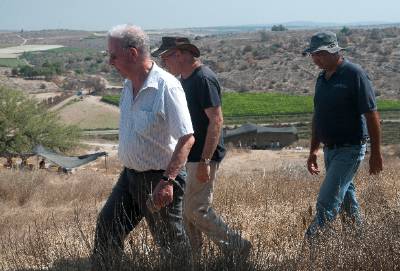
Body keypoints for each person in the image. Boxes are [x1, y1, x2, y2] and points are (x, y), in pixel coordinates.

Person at [92, 25, 195, 270]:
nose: (110, 62)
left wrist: (168, 181)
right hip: (129, 177)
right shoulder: (128, 86)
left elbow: (187, 137)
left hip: (159, 179)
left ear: (133, 53)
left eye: (113, 55)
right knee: (107, 226)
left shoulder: (166, 86)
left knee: (171, 244)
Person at [152, 37, 251, 262]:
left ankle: (237, 246)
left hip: (202, 157)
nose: (163, 62)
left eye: (165, 57)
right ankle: (195, 259)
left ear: (179, 54)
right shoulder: (185, 80)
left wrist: (206, 161)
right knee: (188, 212)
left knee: (196, 210)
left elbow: (216, 120)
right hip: (191, 156)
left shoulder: (203, 79)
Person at [303, 31, 383, 239]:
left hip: (351, 148)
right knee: (347, 201)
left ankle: (308, 252)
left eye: (319, 54)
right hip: (330, 150)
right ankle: (359, 243)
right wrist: (313, 150)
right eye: (313, 54)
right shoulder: (322, 79)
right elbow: (318, 117)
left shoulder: (354, 74)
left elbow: (372, 115)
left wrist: (376, 154)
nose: (315, 59)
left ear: (333, 51)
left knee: (326, 204)